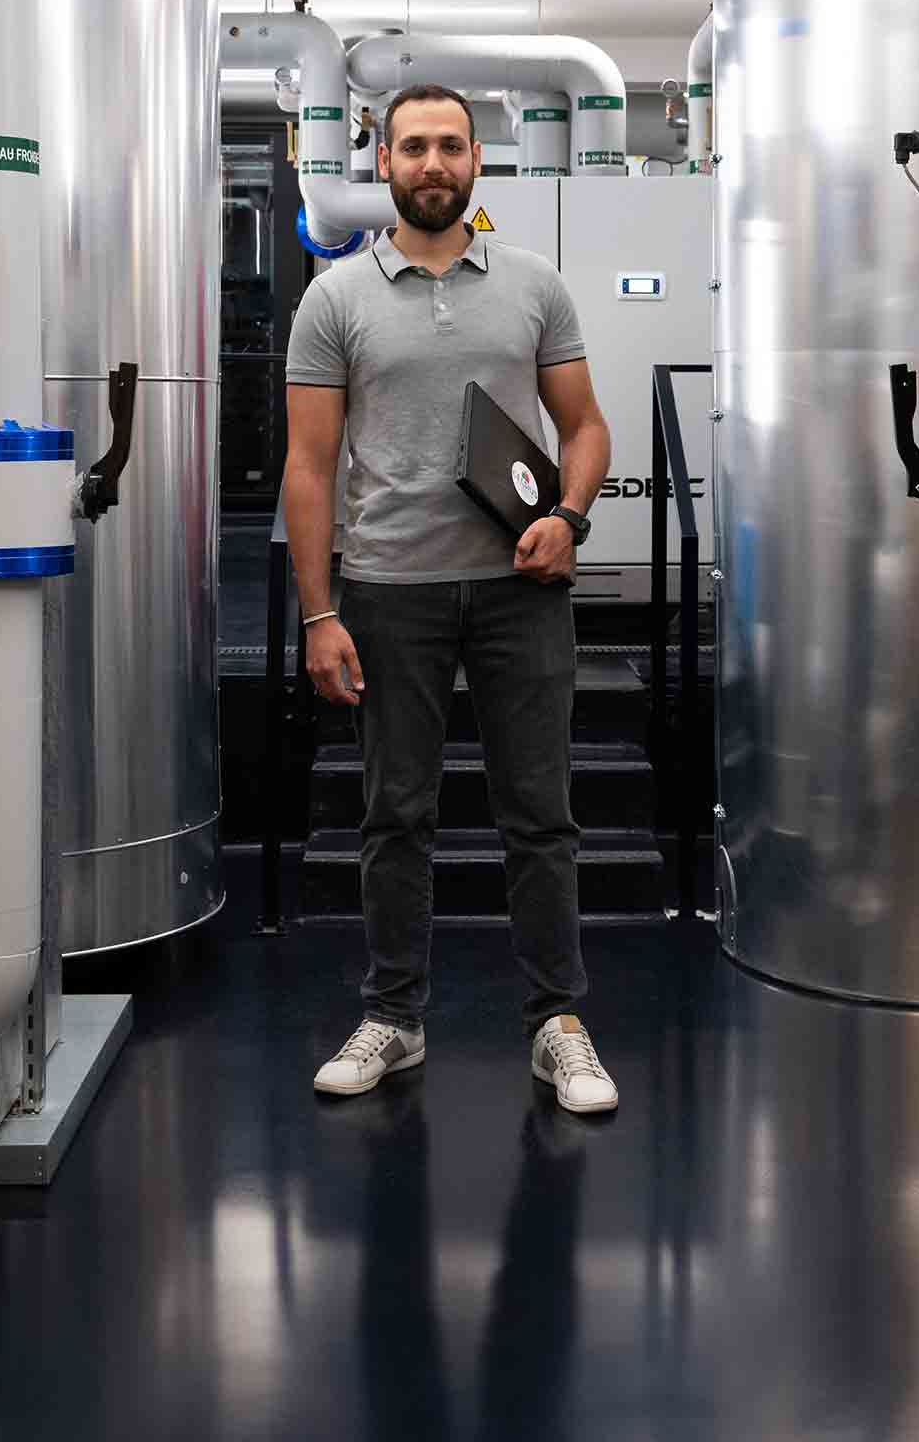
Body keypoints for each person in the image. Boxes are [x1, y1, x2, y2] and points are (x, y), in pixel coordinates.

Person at [283, 82, 617, 1115]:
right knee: (396, 815)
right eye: (415, 147)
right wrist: (319, 613)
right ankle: (394, 1016)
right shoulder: (334, 299)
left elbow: (586, 426)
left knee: (541, 814)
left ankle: (558, 1024)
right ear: (383, 162)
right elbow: (308, 465)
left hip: (522, 589)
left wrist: (570, 516)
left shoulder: (533, 283)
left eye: (452, 147)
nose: (434, 164)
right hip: (390, 592)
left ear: (479, 160)